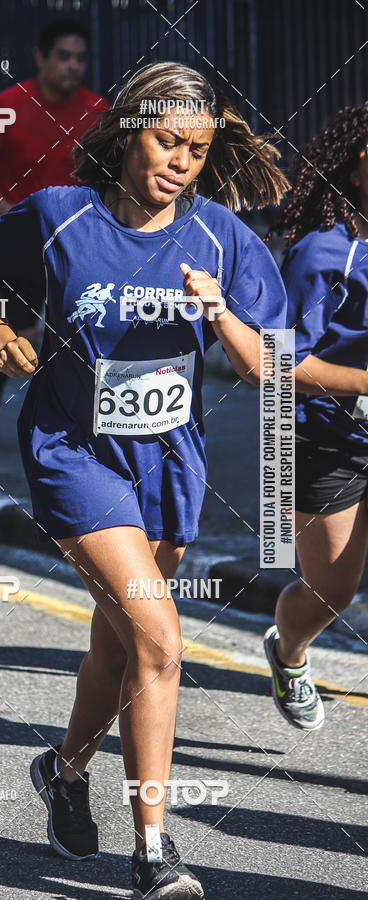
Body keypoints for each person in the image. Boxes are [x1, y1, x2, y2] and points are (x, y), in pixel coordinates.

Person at [0, 61, 289, 900]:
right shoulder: (57, 218)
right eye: (168, 140)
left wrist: (219, 313)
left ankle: (66, 772)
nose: (182, 160)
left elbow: (266, 369)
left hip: (170, 463)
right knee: (163, 641)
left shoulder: (221, 238)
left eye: (198, 149)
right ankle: (153, 851)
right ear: (127, 133)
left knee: (120, 642)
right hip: (73, 451)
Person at [263, 104, 368, 732]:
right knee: (330, 594)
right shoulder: (324, 253)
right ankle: (289, 652)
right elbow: (277, 364)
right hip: (328, 438)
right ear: (359, 166)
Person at [0, 17, 108, 417]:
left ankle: (77, 403)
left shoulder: (99, 112)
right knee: (22, 331)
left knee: (83, 323)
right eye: (63, 57)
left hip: (77, 238)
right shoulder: (8, 106)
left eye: (79, 58)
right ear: (40, 58)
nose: (72, 66)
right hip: (19, 235)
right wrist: (4, 212)